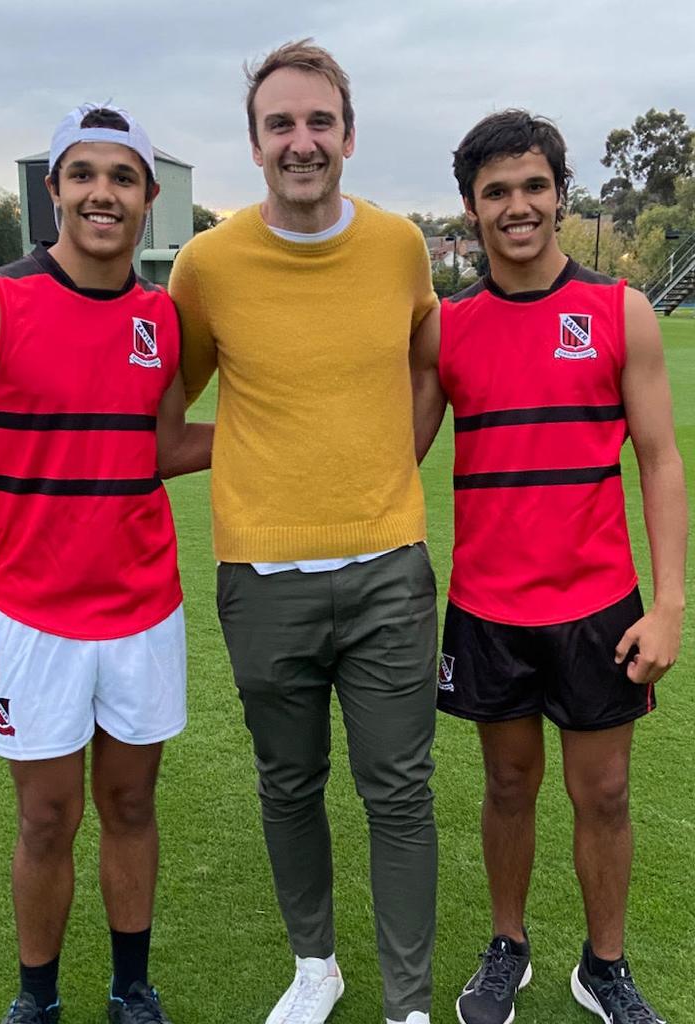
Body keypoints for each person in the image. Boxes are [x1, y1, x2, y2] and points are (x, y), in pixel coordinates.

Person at [168, 38, 439, 1024]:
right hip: (262, 575)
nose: (302, 140)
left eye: (319, 120)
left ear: (349, 134)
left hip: (388, 572)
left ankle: (408, 1001)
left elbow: (426, 367)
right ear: (254, 143)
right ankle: (314, 965)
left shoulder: (402, 246)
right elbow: (167, 423)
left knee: (400, 793)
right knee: (290, 784)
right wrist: (255, 450)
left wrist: (383, 461)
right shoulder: (207, 263)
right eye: (280, 122)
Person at [0, 104, 211, 1024]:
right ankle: (37, 999)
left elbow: (163, 444)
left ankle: (132, 990)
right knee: (47, 818)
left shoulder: (160, 318)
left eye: (122, 178)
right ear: (53, 191)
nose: (102, 193)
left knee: (130, 805)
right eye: (82, 175)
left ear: (149, 198)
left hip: (143, 613)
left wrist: (277, 434)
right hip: (32, 618)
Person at [410, 109, 686, 1024]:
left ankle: (603, 967)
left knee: (603, 792)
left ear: (560, 195)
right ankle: (508, 946)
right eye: (497, 192)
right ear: (470, 207)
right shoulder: (447, 329)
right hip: (489, 608)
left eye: (533, 186)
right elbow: (392, 455)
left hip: (600, 606)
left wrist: (672, 602)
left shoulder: (618, 310)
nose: (517, 207)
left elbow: (659, 459)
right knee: (506, 785)